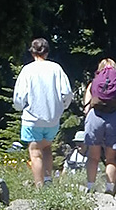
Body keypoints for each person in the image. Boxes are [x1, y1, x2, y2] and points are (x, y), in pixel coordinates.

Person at [13, 37, 72, 188]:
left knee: (35, 152)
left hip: (32, 118)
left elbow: (19, 96)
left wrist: (20, 107)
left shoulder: (28, 70)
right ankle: (48, 180)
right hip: (52, 118)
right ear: (47, 52)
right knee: (47, 148)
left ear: (32, 52)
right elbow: (67, 92)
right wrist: (62, 107)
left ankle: (39, 186)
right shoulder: (56, 68)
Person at [83, 58, 116, 194]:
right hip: (115, 119)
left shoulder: (93, 84)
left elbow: (86, 108)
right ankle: (109, 188)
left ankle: (90, 187)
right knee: (111, 158)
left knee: (93, 156)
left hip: (95, 117)